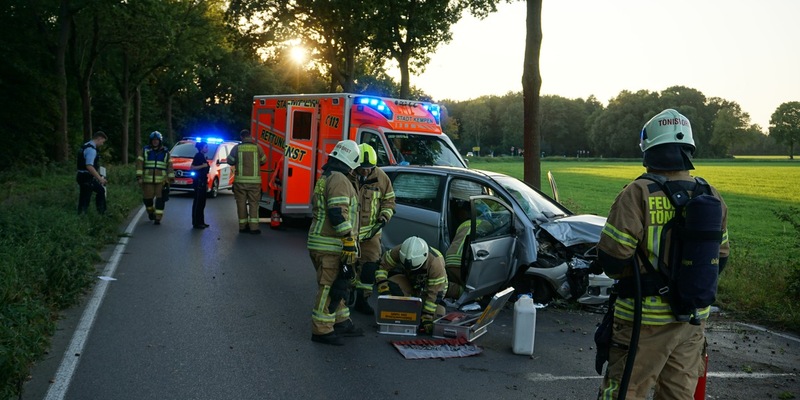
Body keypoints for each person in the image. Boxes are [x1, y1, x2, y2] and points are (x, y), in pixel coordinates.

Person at [595, 109, 730, 400]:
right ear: (688, 148)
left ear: (649, 148)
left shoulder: (637, 193)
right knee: (679, 394)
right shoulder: (711, 195)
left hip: (643, 321)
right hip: (691, 320)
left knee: (624, 391)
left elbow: (614, 260)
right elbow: (721, 258)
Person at [307, 139, 363, 346]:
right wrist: (348, 239)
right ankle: (321, 330)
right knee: (329, 286)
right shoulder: (339, 179)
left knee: (340, 283)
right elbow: (337, 212)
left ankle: (340, 321)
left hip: (323, 242)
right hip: (330, 243)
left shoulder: (328, 176)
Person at [351, 143, 395, 315]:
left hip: (371, 235)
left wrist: (385, 216)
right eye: (362, 168)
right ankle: (346, 296)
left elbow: (389, 200)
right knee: (347, 268)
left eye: (369, 168)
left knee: (369, 270)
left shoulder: (381, 178)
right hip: (350, 234)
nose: (366, 172)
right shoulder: (349, 177)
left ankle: (363, 300)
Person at [376, 236, 448, 334]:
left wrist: (427, 317)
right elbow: (382, 268)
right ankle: (407, 311)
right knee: (392, 284)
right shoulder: (399, 251)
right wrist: (384, 289)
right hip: (411, 284)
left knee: (439, 315)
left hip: (429, 292)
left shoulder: (436, 264)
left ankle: (416, 311)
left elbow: (434, 293)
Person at [227, 129, 266, 234]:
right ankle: (254, 228)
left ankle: (242, 227)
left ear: (241, 137)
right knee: (254, 204)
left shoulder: (237, 148)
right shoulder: (257, 147)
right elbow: (264, 160)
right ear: (250, 136)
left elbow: (230, 161)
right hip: (255, 183)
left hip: (240, 183)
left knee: (241, 204)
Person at [136, 131, 174, 225]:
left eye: (157, 140)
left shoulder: (165, 152)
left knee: (160, 200)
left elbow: (169, 165)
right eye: (153, 140)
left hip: (161, 181)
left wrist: (171, 178)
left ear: (160, 141)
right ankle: (151, 212)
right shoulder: (145, 150)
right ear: (151, 141)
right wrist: (139, 177)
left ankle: (158, 218)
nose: (155, 141)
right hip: (147, 180)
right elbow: (139, 163)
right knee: (147, 200)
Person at [76, 131, 108, 214]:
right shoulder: (91, 150)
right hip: (86, 177)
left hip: (81, 175)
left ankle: (99, 213)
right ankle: (99, 213)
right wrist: (100, 179)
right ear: (99, 138)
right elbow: (89, 166)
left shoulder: (85, 145)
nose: (102, 144)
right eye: (102, 141)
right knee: (86, 198)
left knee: (97, 192)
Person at [191, 141, 211, 229]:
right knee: (198, 203)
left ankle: (201, 221)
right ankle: (196, 222)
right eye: (206, 147)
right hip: (198, 182)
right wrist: (203, 166)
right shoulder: (198, 156)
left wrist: (206, 183)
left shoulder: (202, 156)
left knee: (202, 203)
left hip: (203, 182)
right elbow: (192, 167)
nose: (207, 148)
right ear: (201, 148)